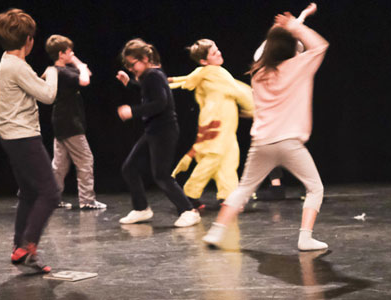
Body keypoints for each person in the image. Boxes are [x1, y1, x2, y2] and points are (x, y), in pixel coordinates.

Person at [203, 5, 331, 251]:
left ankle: (217, 232)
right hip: (289, 143)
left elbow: (265, 50)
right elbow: (320, 45)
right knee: (315, 188)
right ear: (293, 47)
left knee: (243, 189)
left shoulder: (258, 72)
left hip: (262, 142)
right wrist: (295, 25)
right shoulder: (299, 67)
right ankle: (305, 238)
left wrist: (283, 28)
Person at [0, 8, 60, 273]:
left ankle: (19, 248)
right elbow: (48, 96)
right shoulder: (17, 66)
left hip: (12, 137)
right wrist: (53, 71)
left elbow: (30, 86)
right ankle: (29, 244)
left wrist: (39, 78)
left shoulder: (7, 62)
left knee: (30, 193)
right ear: (29, 40)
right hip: (23, 137)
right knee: (51, 193)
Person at [115, 38, 201, 228]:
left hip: (164, 131)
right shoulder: (151, 76)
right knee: (129, 168)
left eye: (132, 64)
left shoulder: (154, 75)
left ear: (145, 58)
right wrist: (129, 83)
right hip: (154, 131)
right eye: (128, 65)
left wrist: (133, 111)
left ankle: (188, 210)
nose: (130, 68)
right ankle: (141, 208)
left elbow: (160, 103)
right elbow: (150, 93)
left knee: (161, 174)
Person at [168, 38, 255, 208]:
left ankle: (228, 195)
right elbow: (237, 90)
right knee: (213, 157)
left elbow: (185, 80)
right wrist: (254, 108)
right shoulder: (213, 72)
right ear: (204, 61)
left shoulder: (209, 72)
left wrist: (167, 81)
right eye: (214, 53)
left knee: (229, 158)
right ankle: (190, 193)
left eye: (217, 49)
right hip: (216, 123)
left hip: (226, 123)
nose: (219, 53)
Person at [44, 34, 107, 210]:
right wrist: (79, 64)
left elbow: (88, 73)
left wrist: (75, 62)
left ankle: (53, 198)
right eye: (69, 51)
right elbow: (85, 80)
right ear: (61, 53)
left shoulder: (59, 71)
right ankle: (87, 200)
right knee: (85, 159)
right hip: (70, 123)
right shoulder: (60, 72)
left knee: (60, 164)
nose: (72, 52)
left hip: (61, 122)